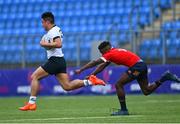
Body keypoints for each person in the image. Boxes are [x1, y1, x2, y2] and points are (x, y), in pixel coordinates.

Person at [19, 12, 105, 111]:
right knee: (67, 86)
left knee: (35, 77)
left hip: (55, 60)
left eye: (42, 22)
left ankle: (31, 103)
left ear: (47, 22)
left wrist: (45, 44)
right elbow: (52, 45)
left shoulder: (53, 31)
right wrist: (45, 44)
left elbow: (59, 44)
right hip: (59, 61)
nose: (42, 24)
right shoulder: (52, 31)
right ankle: (90, 81)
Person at [75, 41, 180, 116]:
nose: (102, 54)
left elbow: (95, 62)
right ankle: (165, 77)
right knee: (146, 91)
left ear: (106, 49)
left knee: (118, 84)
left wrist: (81, 69)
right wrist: (92, 74)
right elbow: (103, 65)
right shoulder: (113, 52)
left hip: (137, 67)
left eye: (102, 52)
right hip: (141, 65)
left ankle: (124, 110)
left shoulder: (110, 53)